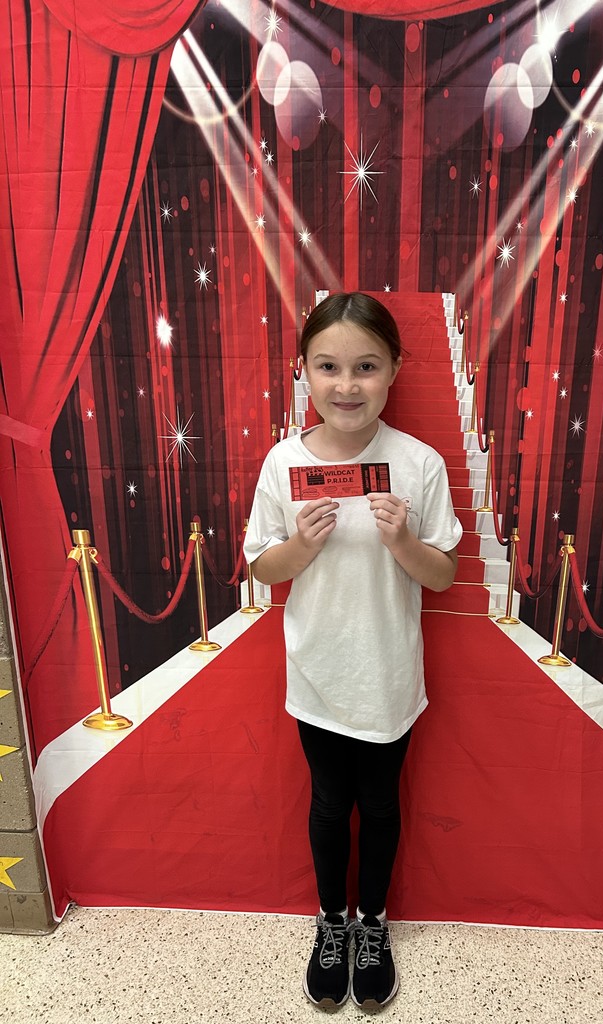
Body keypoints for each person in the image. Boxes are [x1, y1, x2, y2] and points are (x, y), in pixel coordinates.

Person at [244, 292, 462, 1011]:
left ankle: (373, 924)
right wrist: (298, 547)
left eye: (366, 366)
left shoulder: (418, 462)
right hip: (316, 674)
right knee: (330, 803)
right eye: (329, 366)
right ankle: (330, 923)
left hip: (390, 676)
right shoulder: (283, 462)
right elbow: (260, 569)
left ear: (395, 368)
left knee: (381, 801)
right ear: (302, 370)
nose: (346, 385)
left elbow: (443, 574)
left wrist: (403, 540)